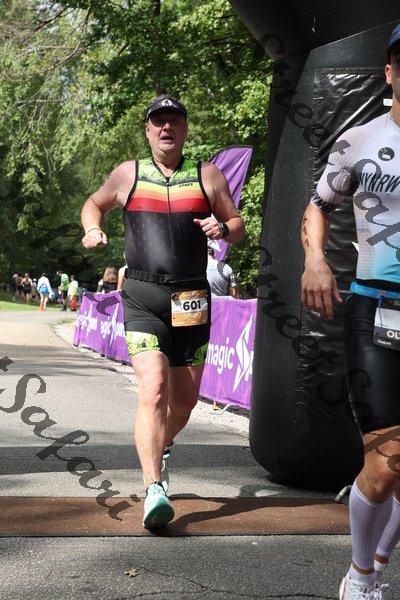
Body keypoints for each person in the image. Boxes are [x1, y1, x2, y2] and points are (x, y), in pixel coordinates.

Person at [80, 94, 244, 529]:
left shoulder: (207, 175)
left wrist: (223, 227)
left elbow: (238, 225)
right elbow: (93, 203)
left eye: (174, 120)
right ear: (148, 130)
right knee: (153, 389)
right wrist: (93, 228)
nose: (166, 127)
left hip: (191, 298)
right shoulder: (128, 173)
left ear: (184, 129)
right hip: (142, 294)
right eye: (159, 121)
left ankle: (163, 443)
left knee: (185, 402)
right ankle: (154, 488)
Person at [301, 25, 400, 600]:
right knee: (388, 461)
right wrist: (315, 260)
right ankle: (359, 577)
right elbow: (318, 206)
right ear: (388, 73)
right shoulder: (360, 140)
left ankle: (378, 563)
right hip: (376, 310)